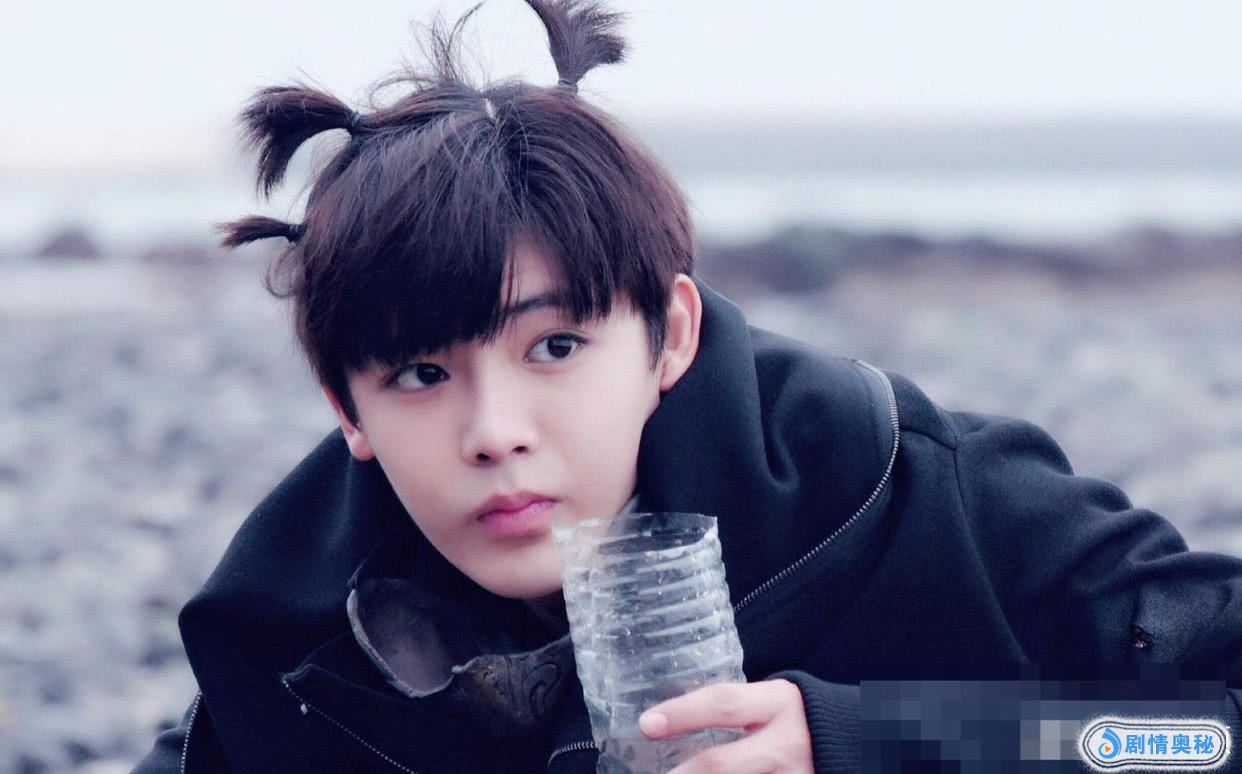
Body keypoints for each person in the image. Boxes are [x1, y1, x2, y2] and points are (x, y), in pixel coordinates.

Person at [133, 1, 1242, 771]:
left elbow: (1211, 733)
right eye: (422, 373)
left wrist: (877, 743)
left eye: (554, 348)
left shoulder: (902, 489)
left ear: (669, 335)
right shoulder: (292, 646)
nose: (494, 432)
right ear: (348, 410)